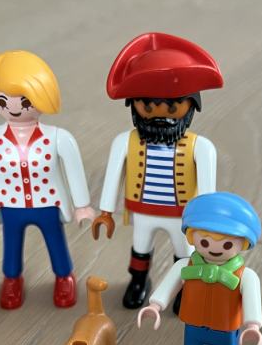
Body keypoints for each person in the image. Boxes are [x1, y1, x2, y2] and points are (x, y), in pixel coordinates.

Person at [92, 33, 222, 309]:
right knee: (140, 247)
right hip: (143, 210)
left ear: (192, 104)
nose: (160, 114)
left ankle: (183, 287)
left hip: (182, 214)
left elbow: (208, 190)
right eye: (149, 106)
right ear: (134, 105)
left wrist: (205, 219)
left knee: (183, 251)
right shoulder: (125, 141)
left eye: (173, 106)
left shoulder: (201, 147)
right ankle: (138, 281)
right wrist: (105, 211)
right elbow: (113, 176)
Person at [0, 50, 94, 309]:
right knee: (11, 246)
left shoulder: (59, 137)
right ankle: (12, 279)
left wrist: (82, 205)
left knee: (56, 242)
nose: (12, 108)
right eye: (2, 100)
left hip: (48, 203)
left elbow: (74, 170)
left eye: (24, 101)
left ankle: (64, 277)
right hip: (10, 205)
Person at [138, 192, 262, 345]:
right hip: (194, 322)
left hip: (225, 327)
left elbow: (252, 298)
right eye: (204, 241)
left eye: (226, 244)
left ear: (243, 243)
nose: (214, 248)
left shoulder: (246, 275)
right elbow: (168, 285)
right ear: (191, 236)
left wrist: (253, 325)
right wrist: (155, 305)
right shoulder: (185, 265)